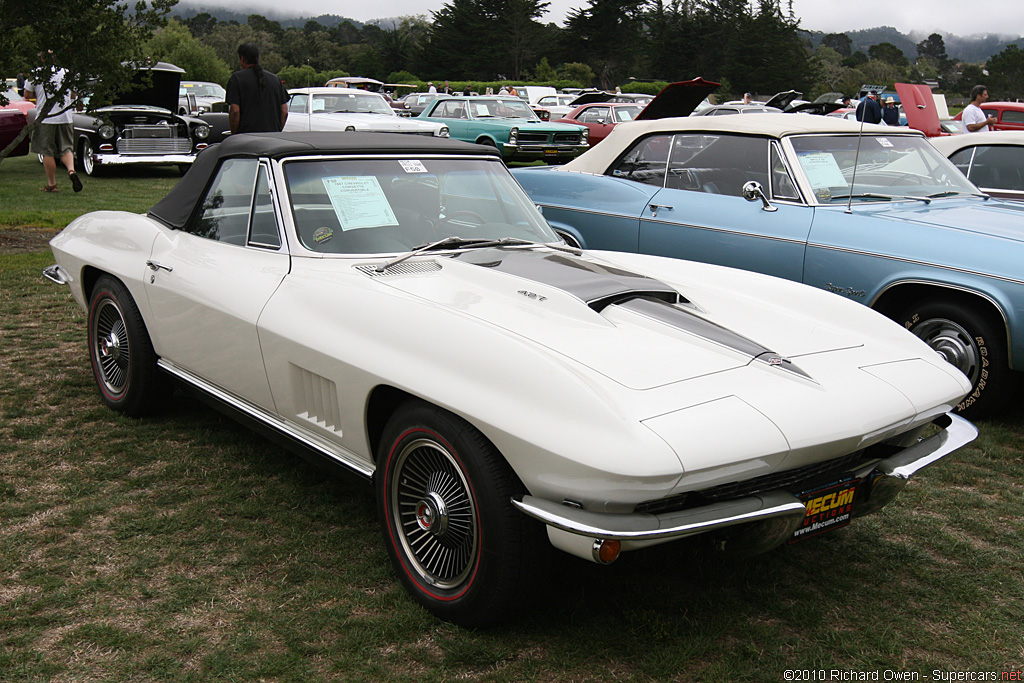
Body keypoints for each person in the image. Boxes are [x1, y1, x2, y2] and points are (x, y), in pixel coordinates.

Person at [24, 52, 82, 193]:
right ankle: (71, 171)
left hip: (46, 118)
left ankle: (52, 184)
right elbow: (74, 94)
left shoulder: (37, 73)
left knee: (47, 151)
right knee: (66, 148)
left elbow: (27, 95)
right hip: (65, 117)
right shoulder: (67, 73)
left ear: (42, 59)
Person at [226, 43, 289, 135]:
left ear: (242, 59)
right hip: (272, 137)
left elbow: (235, 111)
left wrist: (235, 135)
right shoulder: (275, 79)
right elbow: (284, 111)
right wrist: (277, 131)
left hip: (247, 137)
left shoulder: (236, 79)